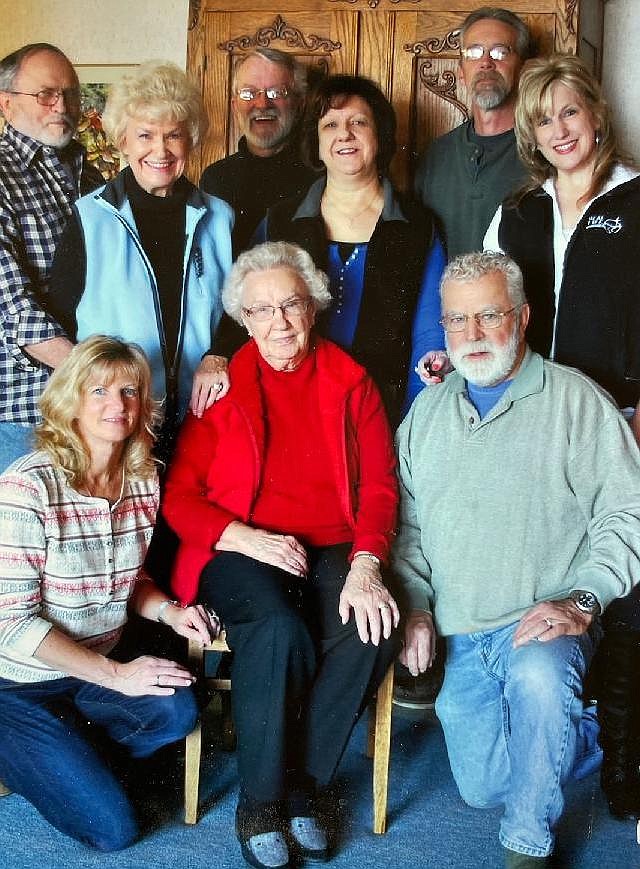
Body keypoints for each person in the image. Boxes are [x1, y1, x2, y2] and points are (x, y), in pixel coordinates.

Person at [392, 251, 640, 869]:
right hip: (461, 629)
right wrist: (417, 607)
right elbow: (407, 525)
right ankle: (576, 733)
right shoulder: (428, 411)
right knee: (481, 787)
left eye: (489, 316)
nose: (471, 336)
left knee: (538, 680)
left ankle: (526, 849)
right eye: (456, 321)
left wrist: (586, 598)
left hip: (546, 620)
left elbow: (629, 512)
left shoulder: (576, 401)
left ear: (524, 316)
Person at [163, 241, 399, 869]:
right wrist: (242, 536)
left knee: (369, 628)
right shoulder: (221, 388)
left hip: (333, 546)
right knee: (276, 627)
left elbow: (378, 485)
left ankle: (306, 789)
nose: (279, 322)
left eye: (290, 304)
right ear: (243, 319)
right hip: (236, 546)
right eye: (261, 310)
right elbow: (179, 498)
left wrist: (368, 565)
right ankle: (260, 802)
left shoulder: (352, 383)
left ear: (313, 307)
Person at [482, 52, 640, 821]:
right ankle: (561, 731)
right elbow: (487, 302)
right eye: (542, 119)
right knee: (553, 567)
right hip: (538, 424)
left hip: (624, 421)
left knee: (629, 585)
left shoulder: (637, 200)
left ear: (597, 114)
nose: (559, 130)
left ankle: (624, 764)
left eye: (569, 112)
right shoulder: (518, 211)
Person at [0, 335, 217, 851]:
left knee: (178, 710)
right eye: (98, 390)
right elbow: (9, 623)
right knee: (113, 830)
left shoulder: (143, 479)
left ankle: (64, 755)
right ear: (70, 400)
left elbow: (127, 579)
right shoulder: (29, 487)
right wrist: (118, 676)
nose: (116, 405)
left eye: (129, 391)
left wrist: (169, 612)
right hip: (15, 684)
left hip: (88, 672)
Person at [47, 61, 234, 457]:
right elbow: (57, 321)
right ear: (123, 141)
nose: (160, 151)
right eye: (145, 135)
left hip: (201, 419)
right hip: (117, 425)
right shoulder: (90, 217)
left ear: (191, 140)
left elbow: (238, 311)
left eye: (174, 136)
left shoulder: (220, 217)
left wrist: (218, 355)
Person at [256, 73, 444, 424]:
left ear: (380, 135)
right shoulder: (281, 221)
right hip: (291, 409)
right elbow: (250, 314)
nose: (345, 134)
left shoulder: (417, 224)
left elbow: (430, 328)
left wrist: (415, 417)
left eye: (359, 122)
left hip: (384, 411)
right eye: (330, 125)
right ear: (315, 139)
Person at [412, 7, 532, 388]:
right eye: (473, 53)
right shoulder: (437, 155)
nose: (485, 63)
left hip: (522, 350)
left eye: (499, 53)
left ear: (522, 68)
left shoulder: (544, 154)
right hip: (450, 352)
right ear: (460, 70)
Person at [0, 43, 103, 471]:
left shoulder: (92, 173)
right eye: (45, 94)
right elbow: (13, 307)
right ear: (6, 103)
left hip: (94, 410)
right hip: (26, 412)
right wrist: (98, 376)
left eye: (71, 94)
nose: (61, 106)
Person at [200, 48, 317, 257]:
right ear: (235, 107)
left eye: (276, 92)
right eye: (249, 93)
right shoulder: (216, 179)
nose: (262, 104)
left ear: (299, 105)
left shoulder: (321, 176)